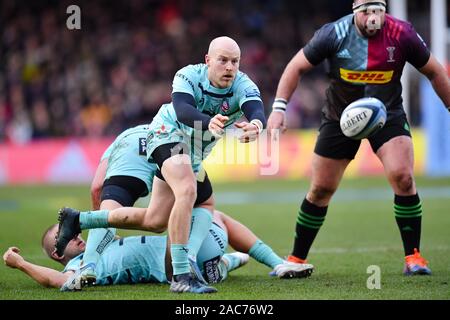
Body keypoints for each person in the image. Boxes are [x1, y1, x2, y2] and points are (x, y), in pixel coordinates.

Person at [55, 36, 267, 293]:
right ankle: (181, 274)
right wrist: (207, 121)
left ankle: (80, 220)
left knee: (155, 221)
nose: (230, 67)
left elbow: (255, 108)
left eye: (235, 61)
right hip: (167, 133)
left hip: (194, 149)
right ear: (208, 60)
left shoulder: (242, 83)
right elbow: (182, 110)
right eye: (223, 60)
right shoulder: (187, 75)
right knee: (187, 190)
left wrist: (256, 125)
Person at [267, 0, 450, 277]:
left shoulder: (403, 34)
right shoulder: (333, 34)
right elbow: (295, 67)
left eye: (378, 10)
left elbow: (435, 71)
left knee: (404, 177)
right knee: (320, 190)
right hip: (340, 118)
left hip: (387, 114)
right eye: (366, 11)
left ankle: (414, 257)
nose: (372, 17)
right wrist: (279, 109)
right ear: (354, 8)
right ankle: (296, 258)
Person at [3, 210, 314, 291]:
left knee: (205, 213)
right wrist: (19, 262)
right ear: (58, 255)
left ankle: (219, 265)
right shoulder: (80, 268)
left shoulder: (99, 247)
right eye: (63, 236)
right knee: (204, 210)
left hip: (173, 250)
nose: (74, 235)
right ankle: (263, 262)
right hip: (169, 260)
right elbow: (54, 282)